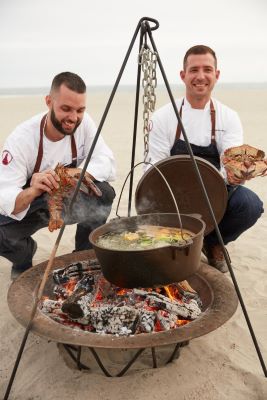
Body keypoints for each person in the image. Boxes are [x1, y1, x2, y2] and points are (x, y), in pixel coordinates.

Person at [145, 45, 264, 272]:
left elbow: (230, 160)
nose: (201, 76)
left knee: (250, 205)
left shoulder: (228, 117)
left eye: (207, 69)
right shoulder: (163, 117)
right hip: (173, 195)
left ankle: (213, 243)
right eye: (194, 70)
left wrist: (237, 173)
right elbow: (155, 167)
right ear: (183, 75)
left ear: (216, 75)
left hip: (215, 194)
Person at [0, 72, 116, 279]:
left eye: (80, 110)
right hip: (34, 203)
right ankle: (23, 256)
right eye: (66, 109)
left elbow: (106, 161)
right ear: (48, 101)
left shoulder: (84, 123)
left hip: (68, 199)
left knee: (104, 193)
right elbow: (6, 195)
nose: (73, 117)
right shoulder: (21, 139)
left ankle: (83, 255)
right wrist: (34, 188)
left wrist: (74, 172)